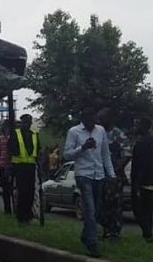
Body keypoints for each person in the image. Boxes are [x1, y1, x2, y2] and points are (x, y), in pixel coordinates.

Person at [63, 107, 115, 258]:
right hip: (83, 174)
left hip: (98, 174)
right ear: (83, 119)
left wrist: (111, 174)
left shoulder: (100, 131)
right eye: (89, 120)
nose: (93, 123)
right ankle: (92, 244)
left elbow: (105, 154)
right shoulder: (74, 132)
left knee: (96, 211)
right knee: (90, 210)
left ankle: (86, 235)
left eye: (94, 120)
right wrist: (83, 147)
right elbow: (67, 155)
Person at [97, 107, 127, 240]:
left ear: (109, 119)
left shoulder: (118, 134)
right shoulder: (98, 133)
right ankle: (105, 230)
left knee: (114, 205)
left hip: (113, 176)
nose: (100, 120)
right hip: (99, 174)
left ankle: (114, 232)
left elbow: (127, 153)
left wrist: (117, 168)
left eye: (102, 118)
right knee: (101, 204)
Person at [130, 116, 153, 243]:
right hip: (150, 180)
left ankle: (147, 234)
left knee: (139, 209)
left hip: (142, 181)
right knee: (147, 209)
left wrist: (137, 183)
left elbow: (141, 164)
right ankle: (148, 235)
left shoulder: (143, 142)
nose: (135, 127)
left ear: (144, 127)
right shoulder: (152, 141)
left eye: (137, 125)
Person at [8, 114, 40, 224]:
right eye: (24, 122)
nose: (26, 124)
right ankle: (21, 216)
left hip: (31, 166)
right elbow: (10, 151)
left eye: (28, 122)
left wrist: (38, 165)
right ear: (21, 123)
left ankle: (28, 215)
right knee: (22, 192)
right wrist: (9, 167)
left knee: (30, 192)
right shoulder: (15, 134)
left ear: (31, 123)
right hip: (19, 166)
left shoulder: (35, 135)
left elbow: (38, 151)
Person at [0, 121, 13, 215]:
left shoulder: (12, 138)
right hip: (2, 166)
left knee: (11, 188)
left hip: (11, 166)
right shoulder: (1, 138)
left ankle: (12, 207)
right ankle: (7, 209)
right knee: (4, 189)